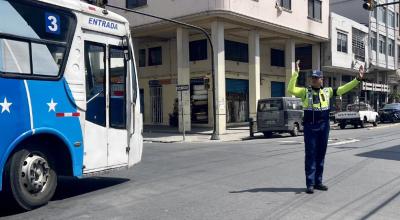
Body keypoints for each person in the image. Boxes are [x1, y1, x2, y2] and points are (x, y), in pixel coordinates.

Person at [288, 60, 365, 194]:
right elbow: (291, 89)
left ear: (322, 80)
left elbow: (343, 89)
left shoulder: (327, 91)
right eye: (312, 78)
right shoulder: (305, 92)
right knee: (310, 155)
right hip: (310, 127)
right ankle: (310, 184)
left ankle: (318, 182)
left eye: (316, 78)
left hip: (324, 127)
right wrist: (296, 73)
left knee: (321, 155)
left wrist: (357, 79)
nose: (313, 80)